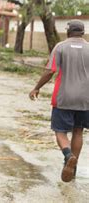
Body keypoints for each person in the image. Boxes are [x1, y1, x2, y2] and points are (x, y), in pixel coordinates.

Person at [29, 20, 89, 182]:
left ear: (68, 31)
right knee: (78, 130)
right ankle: (73, 167)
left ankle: (68, 155)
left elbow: (50, 72)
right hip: (85, 99)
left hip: (63, 97)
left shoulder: (60, 47)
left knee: (60, 131)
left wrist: (37, 87)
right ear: (82, 32)